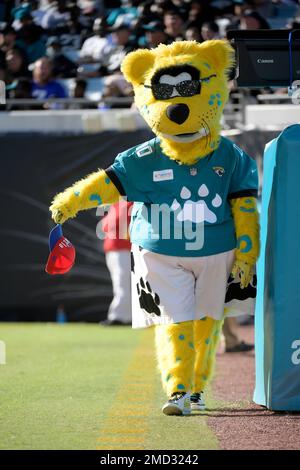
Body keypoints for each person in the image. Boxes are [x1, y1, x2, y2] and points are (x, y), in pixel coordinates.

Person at [50, 40, 260, 416]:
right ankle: (178, 387)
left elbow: (244, 205)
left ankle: (196, 386)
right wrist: (70, 201)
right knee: (174, 322)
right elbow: (105, 184)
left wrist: (247, 249)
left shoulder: (231, 157)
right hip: (161, 253)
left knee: (207, 323)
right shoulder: (141, 158)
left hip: (217, 251)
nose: (177, 108)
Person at [101, 200, 133, 326]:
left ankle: (118, 316)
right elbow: (105, 225)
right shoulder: (117, 203)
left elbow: (115, 222)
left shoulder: (131, 203)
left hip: (124, 249)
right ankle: (126, 316)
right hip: (114, 250)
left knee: (122, 282)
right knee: (120, 283)